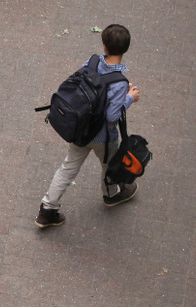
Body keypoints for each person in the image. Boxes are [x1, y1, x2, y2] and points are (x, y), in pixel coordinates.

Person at [36, 24, 141, 228]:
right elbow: (111, 115)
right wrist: (129, 98)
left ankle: (47, 209)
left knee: (67, 168)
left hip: (81, 129)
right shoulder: (119, 82)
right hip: (102, 138)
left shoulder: (91, 62)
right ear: (126, 49)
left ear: (104, 46)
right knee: (109, 165)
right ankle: (110, 194)